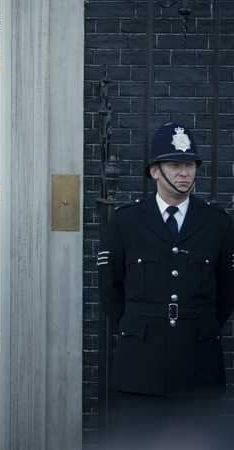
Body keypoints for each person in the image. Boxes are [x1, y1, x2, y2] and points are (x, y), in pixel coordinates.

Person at [97, 123, 234, 448]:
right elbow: (110, 290)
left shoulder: (218, 223)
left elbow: (227, 293)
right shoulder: (126, 221)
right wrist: (140, 327)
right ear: (154, 171)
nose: (184, 173)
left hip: (198, 368)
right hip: (141, 367)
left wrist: (198, 326)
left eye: (189, 165)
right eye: (175, 165)